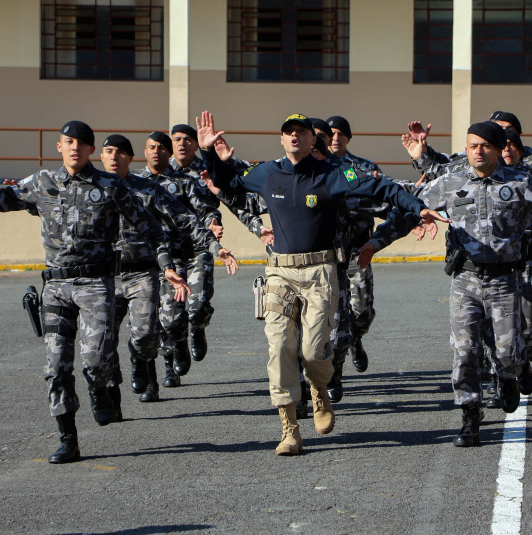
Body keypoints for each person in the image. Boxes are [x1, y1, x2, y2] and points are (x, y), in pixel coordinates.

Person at [197, 111, 448, 456]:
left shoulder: (333, 174)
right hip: (280, 274)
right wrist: (209, 152)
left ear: (312, 139)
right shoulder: (268, 173)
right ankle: (289, 429)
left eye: (301, 131)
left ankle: (319, 389)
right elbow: (229, 182)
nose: (295, 136)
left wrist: (417, 207)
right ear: (282, 139)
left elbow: (382, 186)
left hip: (320, 273)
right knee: (280, 349)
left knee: (314, 350)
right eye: (289, 132)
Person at [362, 122, 532, 447]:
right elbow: (409, 210)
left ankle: (510, 374)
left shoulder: (522, 182)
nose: (478, 151)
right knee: (465, 350)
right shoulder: (449, 183)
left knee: (508, 352)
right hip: (465, 279)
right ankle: (470, 417)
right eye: (472, 146)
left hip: (505, 279)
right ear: (466, 150)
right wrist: (374, 244)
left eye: (485, 145)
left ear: (498, 149)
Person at [0, 121, 182, 464]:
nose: (75, 148)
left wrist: (166, 264)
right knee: (56, 367)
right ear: (59, 146)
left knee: (97, 360)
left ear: (90, 150)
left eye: (82, 143)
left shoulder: (110, 185)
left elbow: (151, 228)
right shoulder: (43, 182)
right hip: (55, 286)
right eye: (69, 142)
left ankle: (101, 387)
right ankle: (68, 439)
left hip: (95, 285)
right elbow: (0, 200)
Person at [100, 135, 235, 406]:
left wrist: (213, 243)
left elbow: (192, 216)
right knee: (102, 340)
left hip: (157, 266)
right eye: (108, 152)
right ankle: (113, 392)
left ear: (129, 156)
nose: (114, 158)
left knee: (154, 328)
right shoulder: (92, 188)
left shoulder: (155, 187)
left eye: (120, 153)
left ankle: (183, 339)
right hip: (107, 273)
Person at [327, 115, 384, 374]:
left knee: (362, 311)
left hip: (358, 251)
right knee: (328, 313)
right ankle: (332, 371)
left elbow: (382, 198)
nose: (336, 138)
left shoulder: (362, 167)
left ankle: (355, 338)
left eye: (341, 133)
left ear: (349, 138)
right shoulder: (317, 167)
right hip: (327, 254)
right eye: (331, 133)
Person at [170, 124, 223, 367]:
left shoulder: (207, 170)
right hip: (168, 253)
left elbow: (220, 200)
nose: (182, 143)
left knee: (199, 306)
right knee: (169, 314)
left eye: (188, 139)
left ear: (195, 143)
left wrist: (214, 222)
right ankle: (173, 355)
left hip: (199, 247)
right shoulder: (159, 171)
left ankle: (197, 329)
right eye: (177, 139)